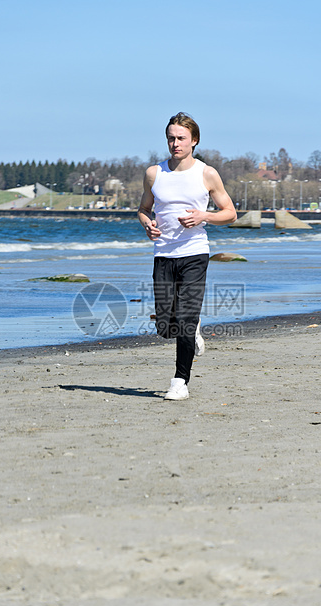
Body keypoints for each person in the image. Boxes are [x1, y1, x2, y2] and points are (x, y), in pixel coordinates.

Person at [138, 112, 237, 400]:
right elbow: (144, 209)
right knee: (165, 325)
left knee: (185, 317)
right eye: (171, 138)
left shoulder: (206, 173)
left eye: (181, 138)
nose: (175, 143)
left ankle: (180, 381)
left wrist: (204, 215)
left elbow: (230, 213)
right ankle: (191, 332)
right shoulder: (154, 173)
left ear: (194, 140)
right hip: (163, 255)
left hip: (195, 253)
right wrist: (147, 224)